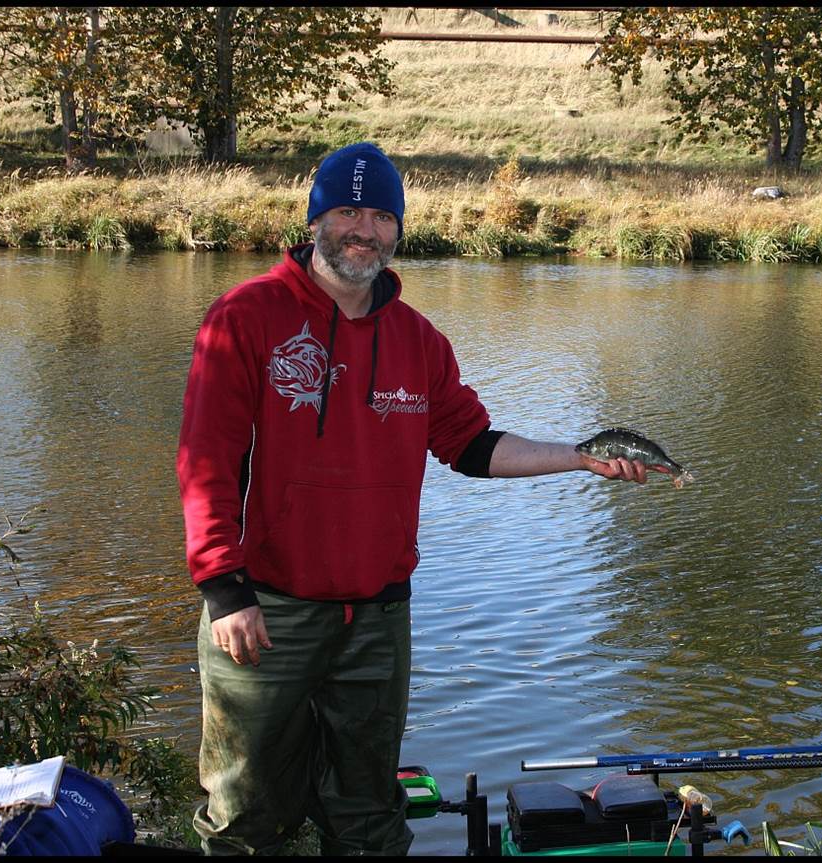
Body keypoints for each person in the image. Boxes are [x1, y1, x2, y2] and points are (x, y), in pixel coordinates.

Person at [177, 141, 650, 856]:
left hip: (376, 617)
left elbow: (471, 444)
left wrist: (581, 458)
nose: (361, 229)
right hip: (265, 610)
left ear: (398, 230)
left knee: (368, 817)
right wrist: (222, 586)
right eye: (345, 211)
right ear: (314, 221)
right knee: (244, 816)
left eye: (379, 215)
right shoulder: (246, 317)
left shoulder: (417, 340)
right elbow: (204, 460)